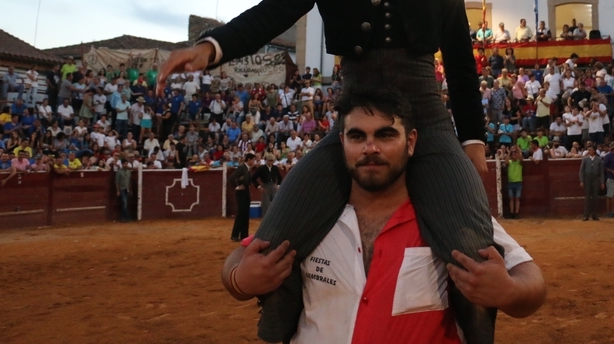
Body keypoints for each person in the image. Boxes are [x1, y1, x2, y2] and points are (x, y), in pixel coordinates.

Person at [157, 0, 494, 343]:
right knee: (272, 245)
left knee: (473, 253)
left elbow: (460, 55)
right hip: (353, 126)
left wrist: (472, 138)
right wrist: (212, 47)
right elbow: (274, 9)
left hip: (427, 119)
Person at [221, 86, 545, 343]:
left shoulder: (447, 207)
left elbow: (532, 282)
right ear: (342, 143)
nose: (370, 147)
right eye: (357, 136)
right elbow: (241, 256)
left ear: (411, 142)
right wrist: (240, 280)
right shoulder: (315, 208)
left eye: (386, 135)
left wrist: (509, 291)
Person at [231, 152, 253, 241]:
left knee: (245, 213)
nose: (254, 161)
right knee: (241, 213)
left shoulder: (246, 168)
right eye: (253, 160)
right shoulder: (242, 168)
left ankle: (244, 235)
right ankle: (235, 235)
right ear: (249, 160)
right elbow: (232, 178)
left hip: (246, 192)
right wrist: (237, 187)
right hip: (241, 193)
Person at [252, 152, 282, 217]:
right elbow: (253, 178)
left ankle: (275, 218)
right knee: (266, 206)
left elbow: (280, 177)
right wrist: (259, 187)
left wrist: (278, 185)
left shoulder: (275, 168)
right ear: (266, 160)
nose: (270, 162)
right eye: (269, 161)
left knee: (276, 204)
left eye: (272, 161)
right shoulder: (261, 168)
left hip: (274, 187)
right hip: (265, 187)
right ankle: (266, 221)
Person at [579, 144, 604, 221]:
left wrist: (602, 182)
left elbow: (601, 172)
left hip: (596, 179)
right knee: (587, 198)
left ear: (594, 151)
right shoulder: (585, 159)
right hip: (587, 179)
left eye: (590, 150)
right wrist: (582, 181)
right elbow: (581, 171)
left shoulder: (599, 159)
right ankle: (586, 215)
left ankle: (594, 215)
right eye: (588, 150)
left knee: (595, 198)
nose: (589, 151)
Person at [506, 145, 523, 219]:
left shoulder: (519, 162)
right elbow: (506, 161)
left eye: (516, 154)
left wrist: (518, 150)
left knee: (517, 198)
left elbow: (521, 158)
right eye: (513, 154)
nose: (515, 156)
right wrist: (509, 153)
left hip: (518, 182)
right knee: (512, 199)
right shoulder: (509, 162)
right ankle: (512, 213)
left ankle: (516, 213)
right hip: (511, 182)